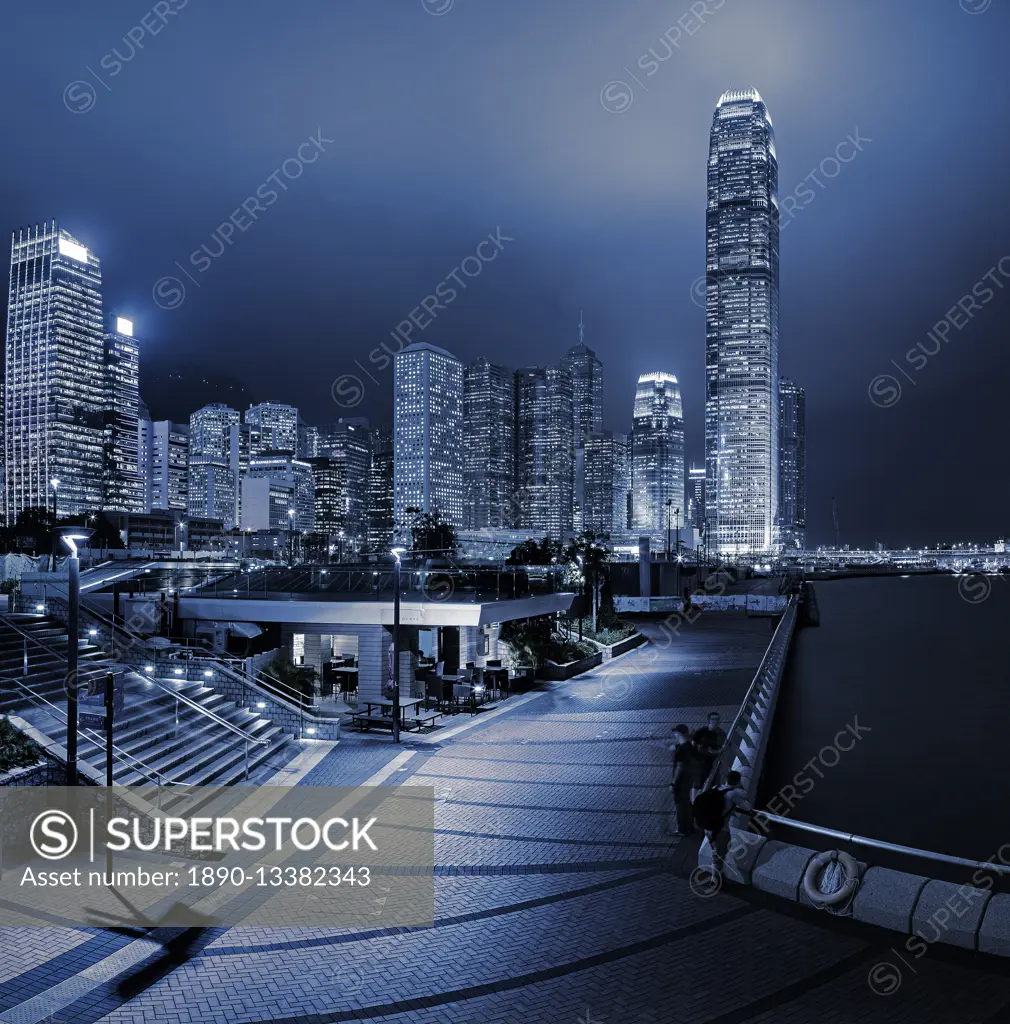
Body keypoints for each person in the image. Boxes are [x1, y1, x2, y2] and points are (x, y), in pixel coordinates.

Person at [706, 770, 753, 877]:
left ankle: (717, 879)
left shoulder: (716, 788)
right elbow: (748, 807)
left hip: (708, 827)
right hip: (720, 830)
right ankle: (716, 882)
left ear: (726, 779)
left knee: (716, 855)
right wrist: (740, 789)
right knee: (719, 857)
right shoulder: (733, 794)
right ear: (738, 781)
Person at [666, 724, 698, 836]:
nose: (674, 735)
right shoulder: (688, 745)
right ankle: (690, 826)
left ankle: (682, 829)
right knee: (686, 803)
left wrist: (673, 784)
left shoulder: (683, 748)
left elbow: (680, 766)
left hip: (681, 781)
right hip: (689, 779)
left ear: (679, 733)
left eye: (675, 733)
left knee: (680, 805)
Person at [692, 711, 726, 792]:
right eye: (713, 719)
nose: (715, 721)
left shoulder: (721, 734)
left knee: (714, 784)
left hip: (713, 762)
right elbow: (693, 745)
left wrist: (715, 752)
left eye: (717, 719)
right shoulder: (701, 731)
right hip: (701, 762)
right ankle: (694, 802)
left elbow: (723, 748)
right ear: (709, 720)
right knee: (697, 784)